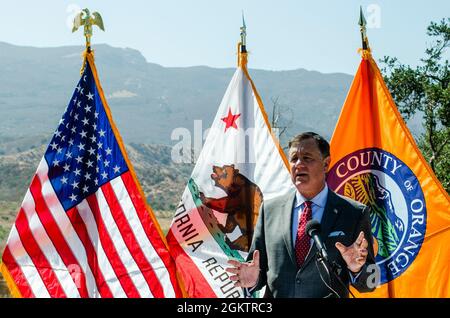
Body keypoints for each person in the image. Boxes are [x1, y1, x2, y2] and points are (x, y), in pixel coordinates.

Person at [226, 132, 379, 298]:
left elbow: (371, 282)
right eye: (294, 159)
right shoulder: (269, 210)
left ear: (326, 164)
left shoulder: (354, 213)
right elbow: (257, 267)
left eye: (307, 158)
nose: (298, 164)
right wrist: (253, 280)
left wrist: (356, 269)